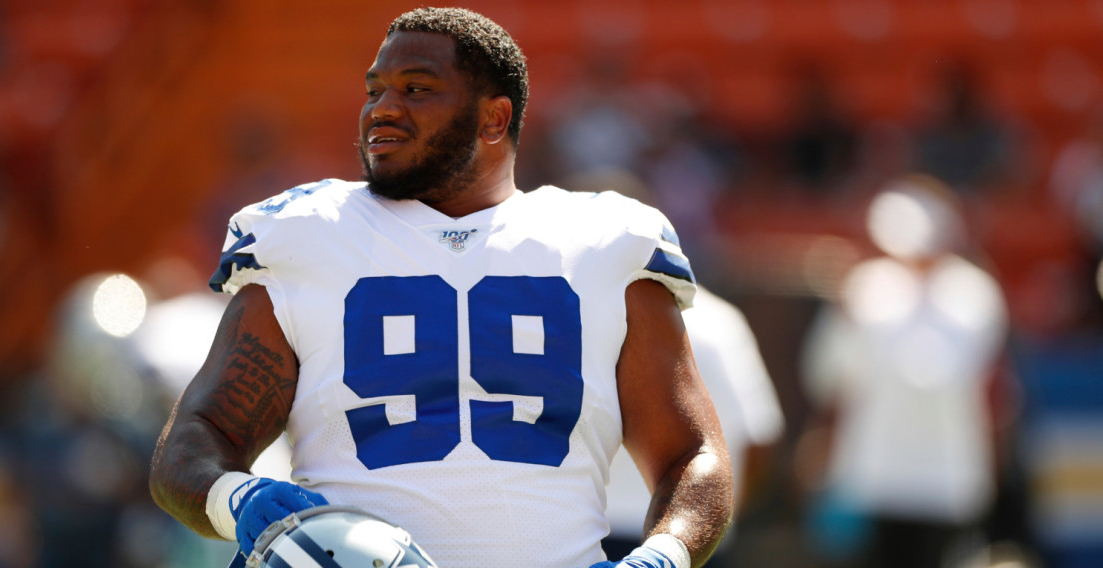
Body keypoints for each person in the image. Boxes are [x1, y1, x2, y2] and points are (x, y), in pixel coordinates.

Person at [149, 7, 733, 568]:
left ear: (494, 118)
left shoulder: (607, 242)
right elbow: (194, 443)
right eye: (375, 90)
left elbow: (692, 454)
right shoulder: (304, 235)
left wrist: (664, 555)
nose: (382, 109)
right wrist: (238, 500)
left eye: (417, 89)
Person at [800, 174, 1008, 568]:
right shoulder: (864, 286)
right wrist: (844, 318)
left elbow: (953, 374)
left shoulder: (975, 292)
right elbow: (828, 377)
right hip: (874, 476)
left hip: (948, 479)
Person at [605, 285, 784, 563]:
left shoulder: (584, 308)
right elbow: (757, 441)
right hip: (686, 543)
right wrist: (715, 519)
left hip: (593, 531)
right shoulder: (719, 323)